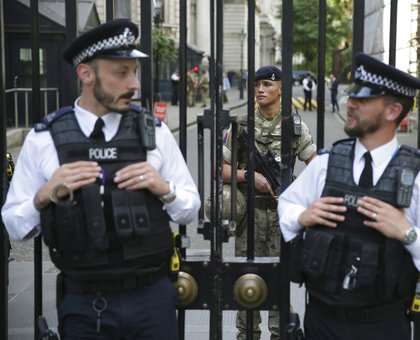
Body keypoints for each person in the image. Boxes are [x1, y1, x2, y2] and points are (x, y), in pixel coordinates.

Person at [1, 19, 201, 339]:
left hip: (152, 297)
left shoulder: (155, 134)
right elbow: (14, 226)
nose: (134, 83)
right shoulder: (45, 139)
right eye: (121, 73)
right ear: (86, 73)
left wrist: (165, 189)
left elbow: (190, 209)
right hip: (83, 301)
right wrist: (43, 195)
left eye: (135, 71)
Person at [278, 53, 420, 340]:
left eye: (363, 100)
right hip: (320, 321)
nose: (350, 103)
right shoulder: (325, 164)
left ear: (392, 111)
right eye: (353, 96)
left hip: (383, 327)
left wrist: (408, 234)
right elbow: (288, 205)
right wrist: (301, 217)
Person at [222, 66, 317, 340]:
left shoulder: (295, 127)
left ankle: (280, 335)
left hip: (281, 215)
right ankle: (247, 335)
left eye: (266, 84)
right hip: (248, 214)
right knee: (247, 279)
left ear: (280, 89)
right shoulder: (241, 124)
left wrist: (293, 191)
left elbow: (316, 170)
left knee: (277, 281)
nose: (260, 89)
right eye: (257, 84)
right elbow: (223, 171)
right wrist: (249, 176)